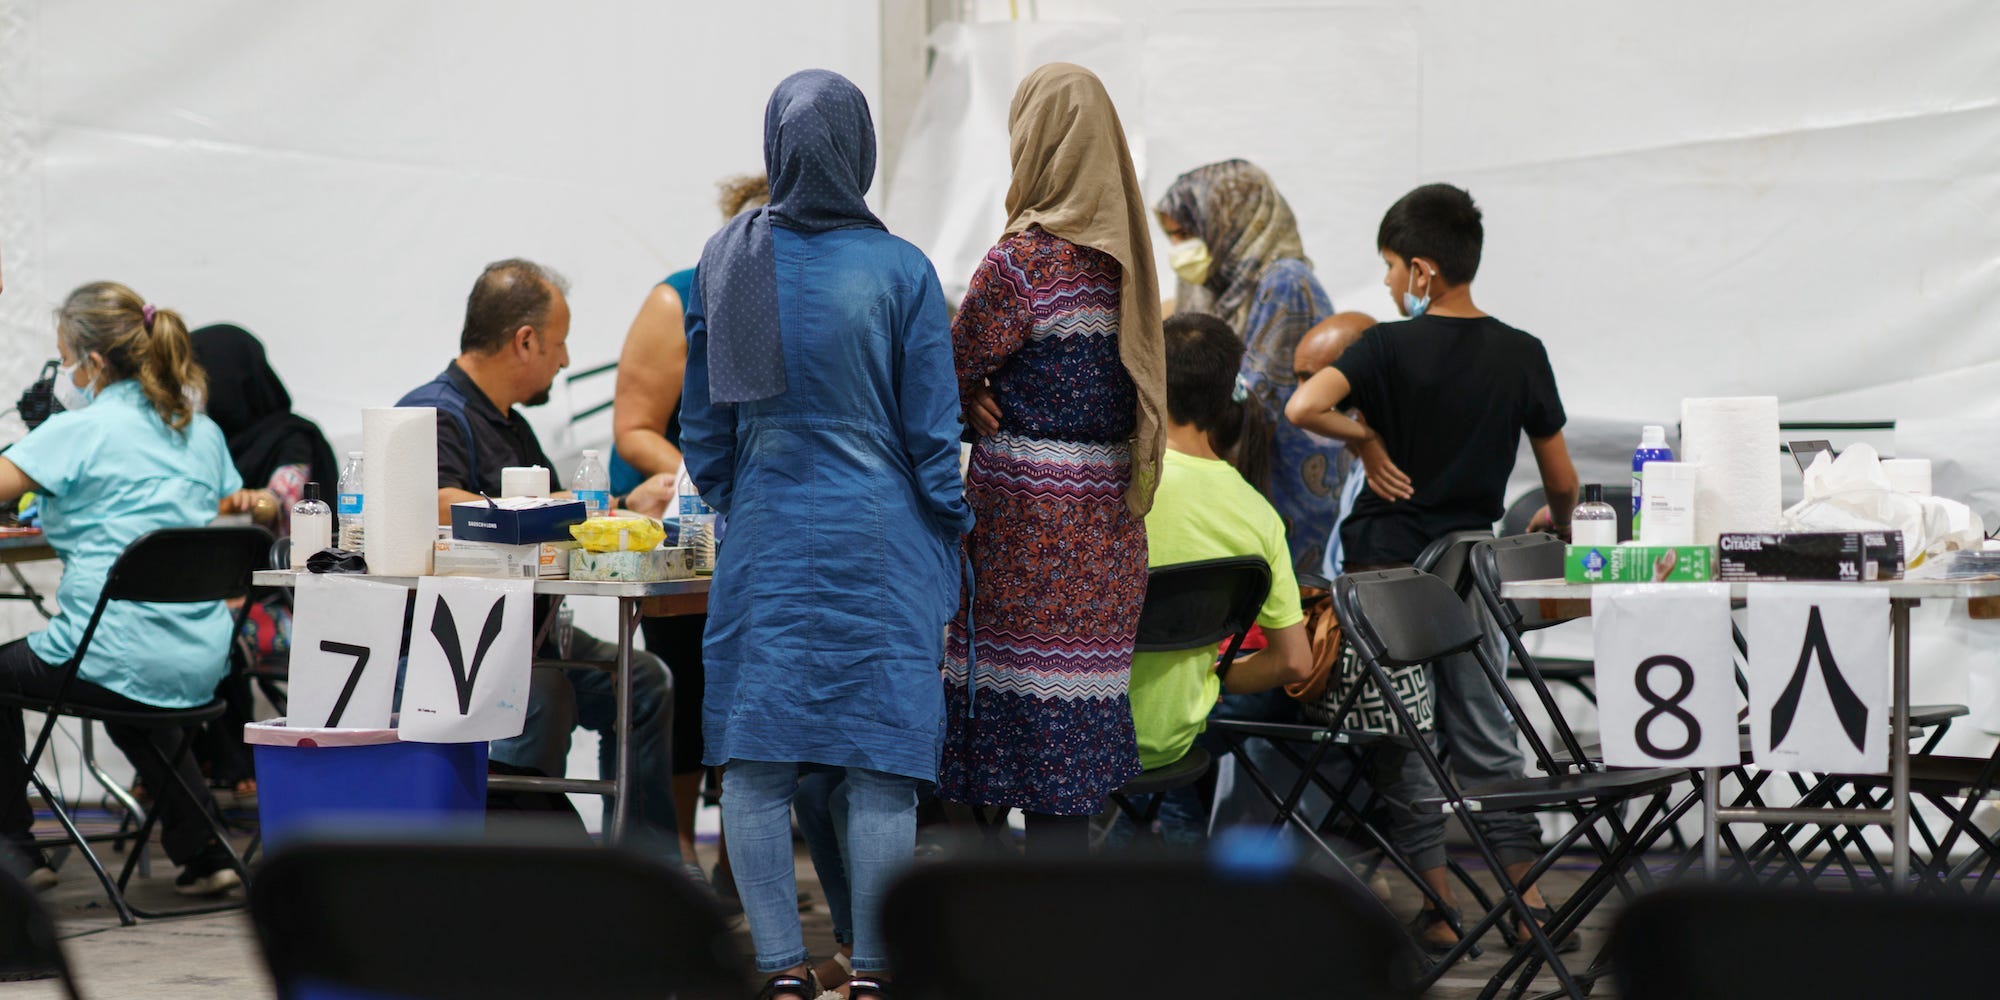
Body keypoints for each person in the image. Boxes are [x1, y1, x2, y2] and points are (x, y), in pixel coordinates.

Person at [680, 69, 968, 1000]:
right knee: (880, 762)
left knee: (757, 760)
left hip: (766, 530)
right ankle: (878, 970)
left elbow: (703, 429)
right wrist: (954, 525)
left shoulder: (730, 257)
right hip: (881, 541)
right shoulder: (903, 271)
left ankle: (781, 970)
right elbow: (933, 433)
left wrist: (746, 496)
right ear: (861, 151)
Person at [1286, 182, 1580, 950]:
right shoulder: (1522, 353)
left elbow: (1302, 407)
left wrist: (1368, 444)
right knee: (1489, 737)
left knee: (1407, 741)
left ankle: (1441, 910)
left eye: (1389, 268)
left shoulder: (1383, 346)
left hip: (1385, 577)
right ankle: (1529, 907)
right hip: (1469, 570)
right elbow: (1562, 482)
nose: (1386, 285)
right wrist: (1568, 529)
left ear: (1422, 269)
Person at [940, 62, 1165, 856]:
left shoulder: (1020, 266)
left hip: (1024, 534)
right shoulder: (1132, 268)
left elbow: (945, 376)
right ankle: (1063, 947)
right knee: (1064, 762)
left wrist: (970, 400)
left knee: (1000, 742)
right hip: (1107, 535)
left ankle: (992, 945)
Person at [395, 259, 681, 866]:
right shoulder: (433, 415)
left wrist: (629, 504)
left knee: (644, 682)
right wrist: (555, 507)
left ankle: (646, 866)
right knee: (544, 690)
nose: (567, 361)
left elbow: (566, 517)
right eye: (560, 343)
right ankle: (531, 865)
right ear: (525, 341)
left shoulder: (511, 428)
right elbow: (441, 505)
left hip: (531, 634)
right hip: (462, 647)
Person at [0, 282, 245, 896]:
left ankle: (14, 854)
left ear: (95, 362)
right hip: (201, 658)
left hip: (115, 652)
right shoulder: (200, 431)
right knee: (130, 694)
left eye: (66, 359)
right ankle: (206, 848)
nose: (64, 376)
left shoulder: (80, 429)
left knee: (51, 670)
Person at [609, 172, 769, 892]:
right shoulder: (676, 299)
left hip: (766, 525)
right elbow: (634, 429)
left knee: (755, 699)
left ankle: (745, 866)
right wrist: (707, 483)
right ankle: (679, 858)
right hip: (687, 524)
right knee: (683, 681)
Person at [1120, 313, 1314, 845]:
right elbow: (1296, 661)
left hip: (1077, 727)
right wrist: (1211, 675)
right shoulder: (1258, 516)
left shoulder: (1111, 481)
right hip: (1172, 739)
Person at [1156, 159, 1346, 573]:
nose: (1178, 250)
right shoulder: (1210, 284)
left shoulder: (1285, 283)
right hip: (1233, 483)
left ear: (1228, 222)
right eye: (1171, 237)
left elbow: (1246, 395)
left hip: (1287, 486)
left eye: (1187, 234)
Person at [192, 323, 341, 802]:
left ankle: (226, 760)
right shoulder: (204, 441)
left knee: (216, 632)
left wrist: (228, 502)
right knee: (184, 622)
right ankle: (186, 766)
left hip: (295, 602)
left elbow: (282, 501)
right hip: (222, 593)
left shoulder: (292, 437)